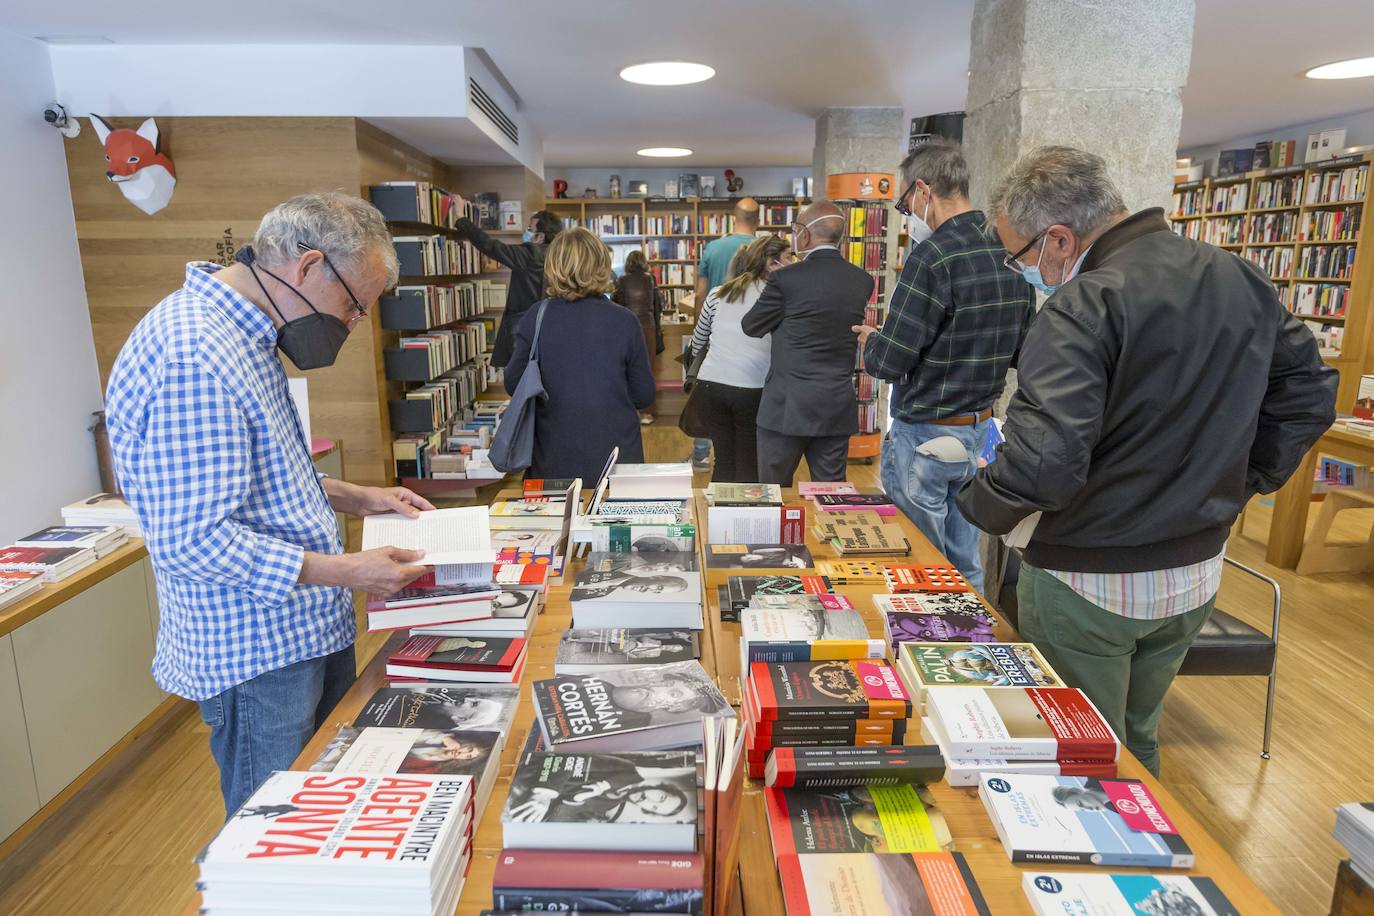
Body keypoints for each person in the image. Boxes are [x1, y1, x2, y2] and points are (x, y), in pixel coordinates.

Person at [957, 146, 1337, 774]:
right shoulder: (1236, 276)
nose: (1018, 269)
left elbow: (1044, 465)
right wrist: (1239, 484)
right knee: (1137, 739)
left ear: (1058, 239)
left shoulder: (1081, 307)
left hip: (1090, 577)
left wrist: (977, 497)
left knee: (1082, 756)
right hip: (1195, 569)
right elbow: (1308, 393)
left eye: (1016, 255)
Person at [104, 192, 436, 816]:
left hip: (304, 630)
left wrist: (352, 496)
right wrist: (350, 570)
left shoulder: (246, 336)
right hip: (259, 652)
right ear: (308, 267)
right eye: (353, 304)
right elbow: (193, 539)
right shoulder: (194, 355)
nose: (354, 321)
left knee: (319, 810)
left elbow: (259, 476)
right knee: (271, 830)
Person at [852, 142, 1035, 594]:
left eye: (904, 204)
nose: (907, 214)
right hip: (979, 434)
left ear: (922, 191)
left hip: (926, 437)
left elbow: (890, 362)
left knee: (916, 563)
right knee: (964, 560)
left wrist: (875, 339)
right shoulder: (1010, 252)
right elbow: (1022, 349)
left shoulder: (931, 257)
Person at [505, 227, 655, 482]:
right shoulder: (625, 321)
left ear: (553, 267)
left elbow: (513, 384)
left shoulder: (536, 317)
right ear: (601, 265)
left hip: (552, 461)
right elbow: (644, 395)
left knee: (555, 521)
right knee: (615, 522)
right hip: (616, 463)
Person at [742, 200, 871, 485]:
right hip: (835, 406)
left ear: (805, 234)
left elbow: (751, 326)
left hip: (786, 407)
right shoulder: (862, 280)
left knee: (773, 494)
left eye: (795, 230)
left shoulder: (786, 279)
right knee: (830, 495)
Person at [689, 235, 790, 482]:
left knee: (724, 460)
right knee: (748, 462)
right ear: (770, 262)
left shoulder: (717, 293)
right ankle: (744, 519)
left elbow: (697, 343)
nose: (793, 264)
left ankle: (717, 517)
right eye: (788, 257)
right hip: (752, 389)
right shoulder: (780, 297)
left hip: (710, 387)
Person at [688, 197, 761, 470]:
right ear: (758, 220)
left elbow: (699, 293)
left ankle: (700, 453)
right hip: (754, 366)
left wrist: (702, 332)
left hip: (715, 342)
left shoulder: (714, 247)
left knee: (717, 432)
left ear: (734, 217)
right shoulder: (763, 250)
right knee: (747, 443)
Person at [453, 208, 563, 367]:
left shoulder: (530, 254)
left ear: (540, 236)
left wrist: (461, 220)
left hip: (524, 326)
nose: (526, 233)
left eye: (530, 230)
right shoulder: (559, 256)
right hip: (552, 327)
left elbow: (491, 247)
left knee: (521, 377)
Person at [612, 249, 664, 425]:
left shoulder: (621, 280)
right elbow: (658, 306)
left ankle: (629, 411)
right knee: (647, 370)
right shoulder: (651, 279)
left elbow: (615, 305)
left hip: (627, 328)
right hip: (648, 327)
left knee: (625, 369)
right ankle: (646, 413)